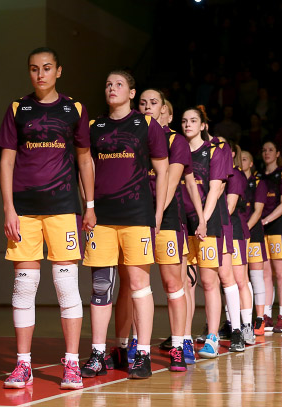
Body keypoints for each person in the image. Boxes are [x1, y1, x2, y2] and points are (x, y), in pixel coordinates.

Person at [0, 47, 95, 390]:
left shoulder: (74, 109)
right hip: (24, 210)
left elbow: (85, 159)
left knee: (67, 286)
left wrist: (90, 204)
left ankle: (72, 364)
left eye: (47, 68)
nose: (40, 74)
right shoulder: (17, 109)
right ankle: (23, 364)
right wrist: (8, 208)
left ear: (58, 71)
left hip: (64, 207)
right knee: (24, 286)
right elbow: (6, 161)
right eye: (34, 68)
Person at [109, 89, 206, 372]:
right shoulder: (131, 136)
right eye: (143, 103)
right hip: (134, 216)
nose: (148, 107)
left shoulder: (175, 140)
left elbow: (172, 182)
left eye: (154, 103)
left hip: (166, 219)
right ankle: (130, 345)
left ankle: (178, 344)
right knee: (133, 285)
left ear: (164, 109)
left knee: (173, 284)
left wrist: (155, 218)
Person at [80, 70, 169, 380]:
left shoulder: (147, 125)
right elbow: (85, 167)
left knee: (138, 285)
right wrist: (88, 206)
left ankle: (142, 354)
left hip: (136, 216)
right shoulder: (94, 127)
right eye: (108, 84)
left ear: (132, 93)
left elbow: (163, 169)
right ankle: (97, 354)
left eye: (119, 84)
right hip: (101, 219)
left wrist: (158, 213)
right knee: (100, 286)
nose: (112, 88)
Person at [180, 106, 243, 357]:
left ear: (203, 125)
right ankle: (183, 338)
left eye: (193, 120)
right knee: (186, 283)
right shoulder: (179, 151)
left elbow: (215, 190)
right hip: (184, 223)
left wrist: (202, 221)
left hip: (209, 224)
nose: (188, 124)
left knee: (210, 281)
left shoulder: (215, 150)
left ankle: (214, 337)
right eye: (184, 121)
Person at [260, 141, 282, 333]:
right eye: (264, 150)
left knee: (281, 273)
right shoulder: (258, 176)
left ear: (278, 153)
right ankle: (266, 316)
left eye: (271, 150)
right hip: (262, 230)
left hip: (278, 229)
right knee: (265, 274)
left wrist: (266, 219)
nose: (267, 153)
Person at [225, 142, 256, 345]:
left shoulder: (235, 174)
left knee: (240, 279)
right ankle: (230, 323)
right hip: (223, 230)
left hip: (236, 230)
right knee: (226, 281)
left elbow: (230, 208)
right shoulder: (216, 172)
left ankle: (247, 326)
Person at [240, 150, 268, 336]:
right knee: (239, 278)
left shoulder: (258, 183)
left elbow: (258, 211)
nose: (241, 162)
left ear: (251, 163)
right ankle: (242, 321)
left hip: (253, 233)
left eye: (245, 159)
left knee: (256, 276)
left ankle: (260, 318)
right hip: (237, 234)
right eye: (239, 159)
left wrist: (246, 230)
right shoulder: (234, 180)